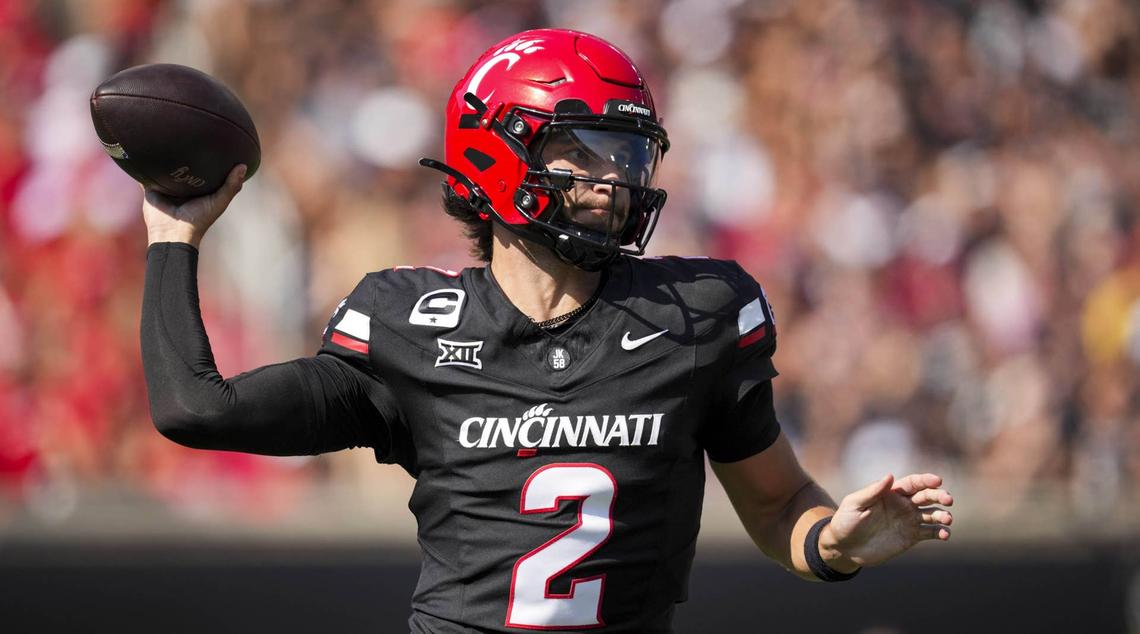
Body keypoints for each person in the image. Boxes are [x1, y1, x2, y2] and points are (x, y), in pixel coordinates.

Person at [139, 29, 954, 633]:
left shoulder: (696, 315)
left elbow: (779, 509)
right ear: (494, 154)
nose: (615, 181)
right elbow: (196, 410)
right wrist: (175, 238)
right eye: (587, 152)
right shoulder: (407, 325)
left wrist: (834, 545)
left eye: (629, 156)